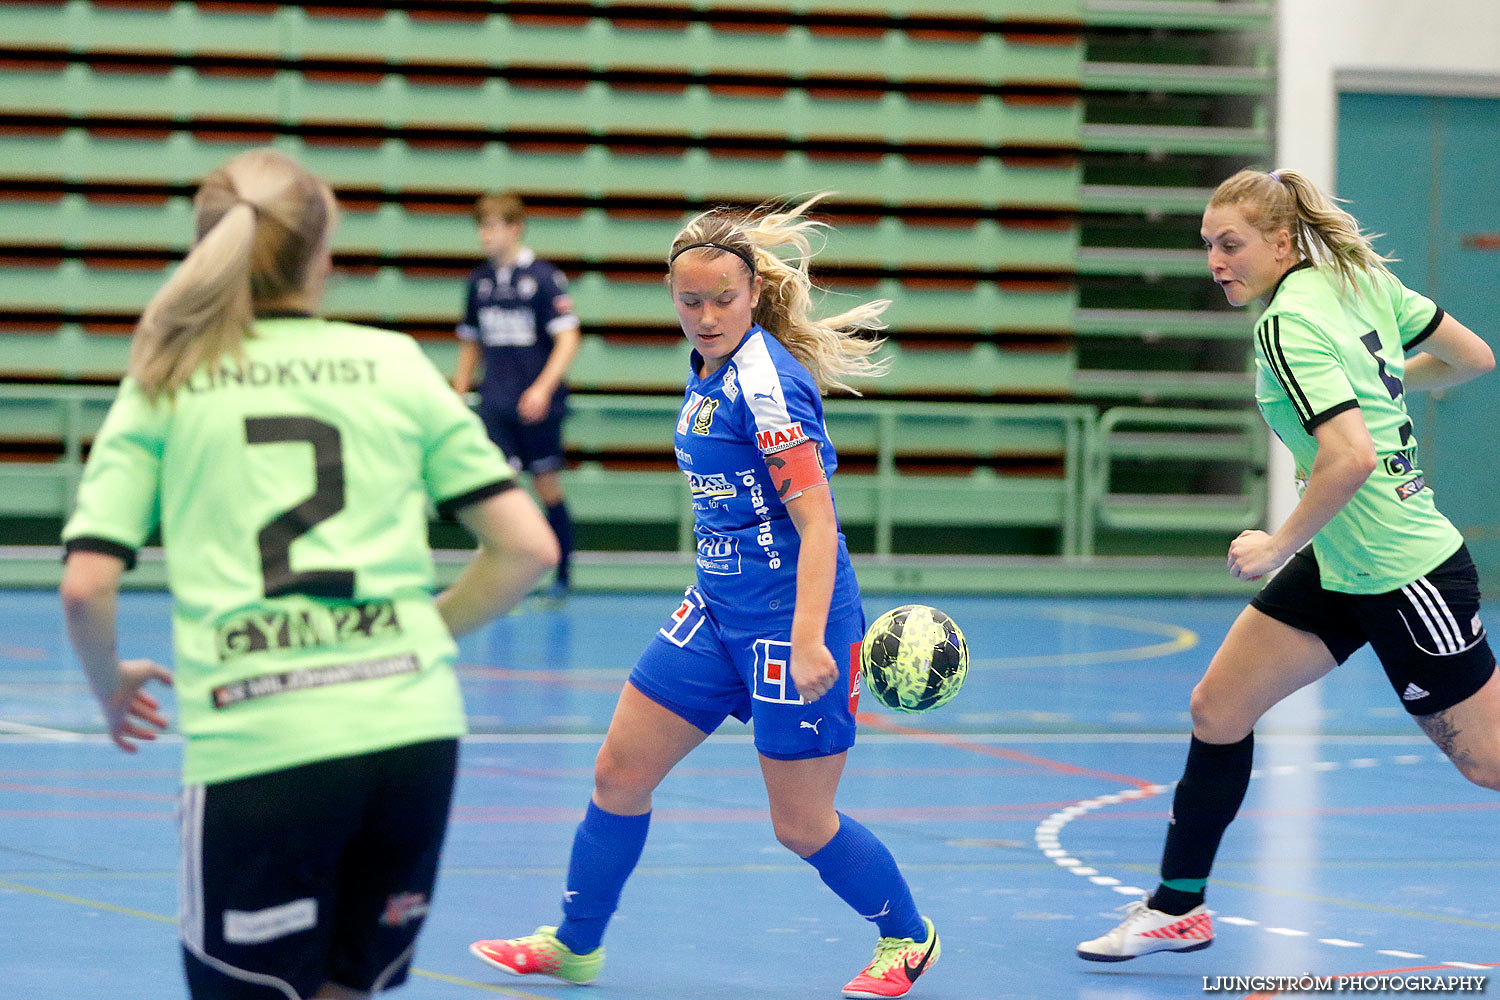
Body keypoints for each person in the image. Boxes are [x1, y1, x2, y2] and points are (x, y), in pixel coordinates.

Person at [59, 148, 559, 1000]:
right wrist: (415, 631)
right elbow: (528, 550)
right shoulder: (396, 363)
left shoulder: (167, 379)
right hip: (410, 737)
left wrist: (112, 688)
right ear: (322, 253)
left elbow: (85, 585)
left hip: (263, 745)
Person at [467, 197, 941, 999]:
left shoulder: (767, 387)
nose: (707, 314)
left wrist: (807, 639)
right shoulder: (709, 367)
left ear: (753, 293)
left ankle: (907, 935)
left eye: (724, 298)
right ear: (671, 296)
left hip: (797, 623)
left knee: (800, 824)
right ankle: (575, 945)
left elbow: (818, 527)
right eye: (690, 300)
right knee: (618, 772)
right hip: (716, 613)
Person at [1077, 167, 1499, 962]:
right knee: (1218, 708)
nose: (1216, 262)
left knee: (1488, 763)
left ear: (1280, 242)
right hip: (1347, 558)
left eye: (1230, 244)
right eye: (1207, 247)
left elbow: (1349, 459)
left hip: (1406, 571)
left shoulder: (1287, 326)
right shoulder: (1356, 278)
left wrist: (1276, 544)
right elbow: (1474, 357)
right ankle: (1179, 908)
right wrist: (1387, 385)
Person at [452, 192, 581, 601]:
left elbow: (568, 337)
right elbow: (471, 343)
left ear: (515, 228)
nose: (484, 235)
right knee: (497, 491)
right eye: (481, 227)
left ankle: (562, 573)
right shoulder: (479, 282)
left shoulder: (542, 278)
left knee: (546, 486)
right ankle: (499, 580)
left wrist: (542, 387)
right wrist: (458, 391)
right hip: (496, 402)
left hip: (537, 406)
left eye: (493, 226)